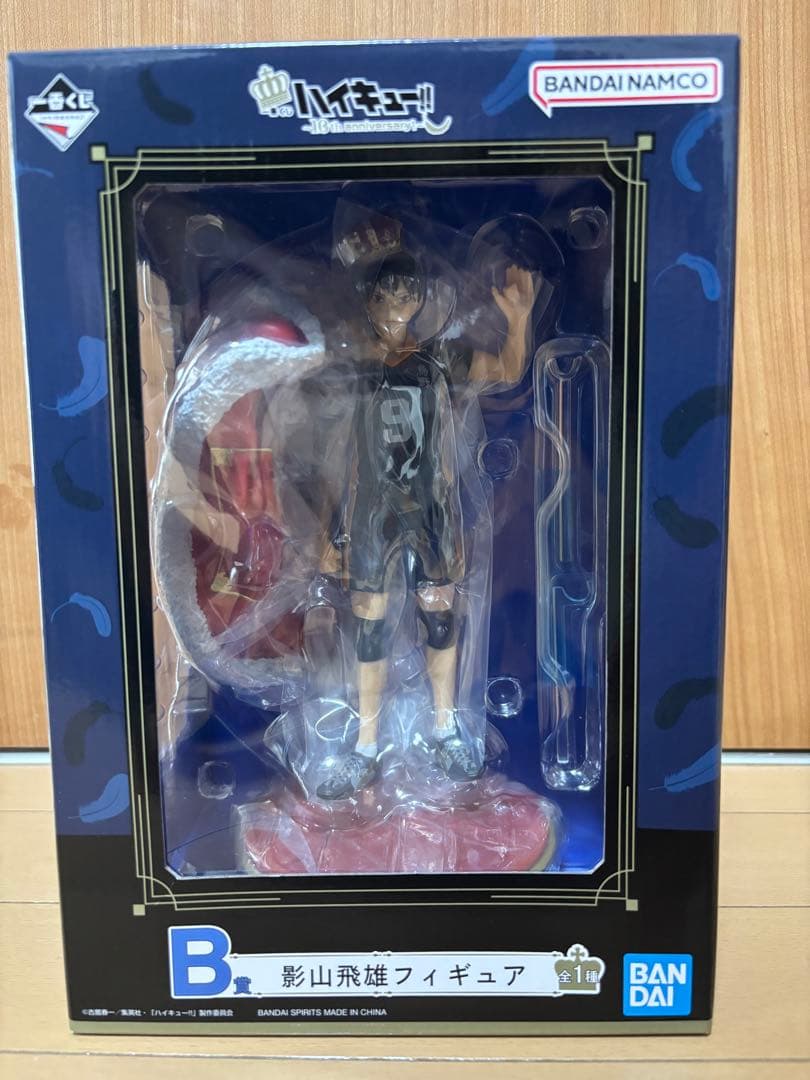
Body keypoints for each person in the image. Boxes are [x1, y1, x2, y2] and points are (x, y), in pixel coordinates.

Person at [316, 249, 537, 800]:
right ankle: (366, 745)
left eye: (405, 293)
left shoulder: (440, 358)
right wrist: (332, 528)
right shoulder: (357, 366)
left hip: (430, 510)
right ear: (368, 300)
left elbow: (507, 370)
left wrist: (519, 319)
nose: (396, 304)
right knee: (370, 625)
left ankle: (444, 729)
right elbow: (338, 454)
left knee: (439, 616)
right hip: (371, 514)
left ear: (420, 299)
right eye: (385, 294)